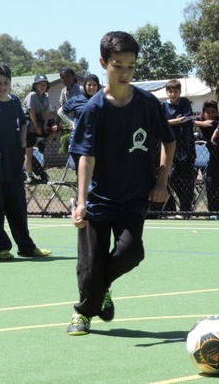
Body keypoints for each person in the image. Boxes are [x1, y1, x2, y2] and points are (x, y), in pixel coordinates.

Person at [67, 31, 175, 336]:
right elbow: (85, 157)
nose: (125, 72)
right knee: (91, 262)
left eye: (131, 66)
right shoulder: (94, 109)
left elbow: (169, 142)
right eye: (118, 65)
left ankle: (101, 290)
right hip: (100, 198)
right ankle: (83, 315)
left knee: (132, 252)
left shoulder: (147, 103)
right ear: (103, 63)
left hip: (134, 196)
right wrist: (82, 201)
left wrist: (161, 181)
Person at [0, 64, 52, 260]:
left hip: (13, 163)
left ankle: (26, 247)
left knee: (18, 207)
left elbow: (23, 122)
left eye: (6, 83)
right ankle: (1, 248)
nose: (3, 87)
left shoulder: (14, 102)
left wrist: (23, 137)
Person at [162, 79, 196, 218]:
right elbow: (159, 122)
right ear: (167, 92)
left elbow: (186, 119)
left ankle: (185, 210)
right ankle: (176, 206)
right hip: (169, 146)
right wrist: (173, 122)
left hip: (186, 146)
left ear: (180, 92)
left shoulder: (185, 102)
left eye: (176, 91)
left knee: (187, 179)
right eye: (170, 91)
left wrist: (167, 122)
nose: (173, 94)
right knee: (171, 178)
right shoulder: (163, 105)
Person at [62, 74, 102, 170]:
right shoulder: (77, 99)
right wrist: (72, 123)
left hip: (97, 139)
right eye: (89, 84)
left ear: (98, 86)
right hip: (79, 139)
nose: (91, 87)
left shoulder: (102, 100)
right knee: (79, 168)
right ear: (84, 86)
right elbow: (61, 111)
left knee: (96, 169)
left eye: (94, 85)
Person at [24, 74, 56, 184]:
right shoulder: (32, 95)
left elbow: (47, 111)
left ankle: (43, 141)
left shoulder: (46, 96)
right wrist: (37, 127)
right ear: (35, 85)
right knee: (29, 152)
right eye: (40, 84)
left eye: (45, 84)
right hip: (29, 123)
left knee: (55, 129)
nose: (43, 86)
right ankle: (29, 176)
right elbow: (31, 112)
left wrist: (45, 125)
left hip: (39, 121)